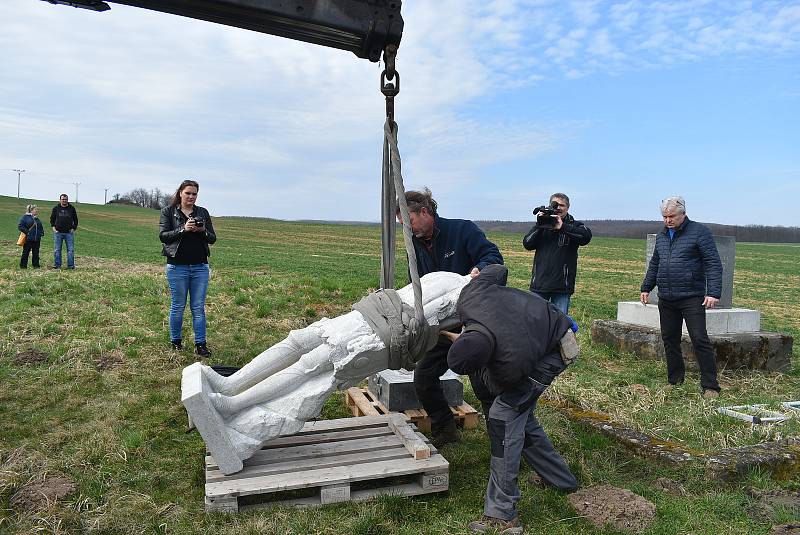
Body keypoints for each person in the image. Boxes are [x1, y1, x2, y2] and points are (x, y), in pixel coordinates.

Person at [444, 264, 578, 534]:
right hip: (536, 329)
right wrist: (476, 277)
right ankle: (562, 481)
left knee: (504, 420)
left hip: (556, 350)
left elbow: (499, 387)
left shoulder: (509, 365)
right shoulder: (471, 296)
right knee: (520, 418)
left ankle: (502, 513)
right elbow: (497, 269)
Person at [398, 187, 504, 447]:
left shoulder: (462, 230)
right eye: (403, 226)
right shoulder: (414, 245)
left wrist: (480, 270)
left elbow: (494, 258)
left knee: (484, 386)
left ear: (424, 212)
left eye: (409, 222)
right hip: (443, 327)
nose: (408, 230)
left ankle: (501, 440)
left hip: (476, 324)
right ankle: (445, 431)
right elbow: (418, 283)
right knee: (423, 379)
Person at [640, 196, 722, 399]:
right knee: (670, 339)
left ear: (683, 214)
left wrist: (713, 292)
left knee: (699, 339)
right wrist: (646, 287)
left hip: (691, 297)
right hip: (666, 297)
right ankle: (675, 380)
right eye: (664, 217)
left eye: (671, 216)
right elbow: (655, 264)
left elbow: (713, 263)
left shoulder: (699, 233)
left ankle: (710, 386)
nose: (668, 220)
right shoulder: (661, 236)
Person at [159, 179, 217, 357]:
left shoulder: (202, 212)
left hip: (200, 266)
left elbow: (213, 238)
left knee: (198, 307)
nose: (191, 197)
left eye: (194, 194)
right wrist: (183, 229)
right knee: (178, 305)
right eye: (188, 193)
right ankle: (176, 342)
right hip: (177, 267)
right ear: (180, 193)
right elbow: (163, 236)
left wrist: (202, 231)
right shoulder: (168, 212)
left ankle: (201, 344)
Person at [522, 193, 591, 314]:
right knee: (534, 322)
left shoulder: (574, 225)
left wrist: (562, 227)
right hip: (539, 285)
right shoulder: (543, 225)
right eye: (555, 205)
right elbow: (527, 244)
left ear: (568, 207)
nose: (558, 208)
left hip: (562, 287)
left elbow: (585, 237)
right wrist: (540, 225)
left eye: (562, 205)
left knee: (559, 325)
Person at [50, 193, 78, 269]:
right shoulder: (56, 208)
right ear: (60, 200)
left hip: (69, 233)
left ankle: (71, 266)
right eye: (63, 199)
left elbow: (75, 220)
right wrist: (53, 228)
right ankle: (57, 265)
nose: (64, 201)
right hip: (58, 232)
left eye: (65, 199)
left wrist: (73, 228)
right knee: (57, 250)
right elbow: (52, 219)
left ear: (67, 200)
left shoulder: (71, 208)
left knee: (70, 250)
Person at [18, 204, 45, 269]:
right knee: (26, 253)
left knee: (36, 253)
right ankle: (23, 266)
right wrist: (28, 232)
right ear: (31, 210)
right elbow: (20, 226)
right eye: (35, 209)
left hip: (37, 239)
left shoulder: (36, 218)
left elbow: (40, 226)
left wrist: (41, 232)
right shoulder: (25, 217)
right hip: (28, 239)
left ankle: (36, 266)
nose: (37, 210)